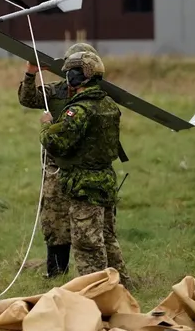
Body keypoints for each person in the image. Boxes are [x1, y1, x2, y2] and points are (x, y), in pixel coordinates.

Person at [37, 50, 130, 287]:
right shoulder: (108, 103)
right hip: (105, 180)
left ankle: (95, 290)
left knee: (87, 243)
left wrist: (48, 126)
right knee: (108, 239)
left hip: (83, 184)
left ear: (76, 77)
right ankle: (122, 286)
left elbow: (57, 142)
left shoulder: (79, 109)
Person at [18, 42, 100, 278]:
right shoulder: (56, 92)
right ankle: (56, 274)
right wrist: (31, 73)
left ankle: (97, 276)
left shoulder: (97, 96)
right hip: (56, 169)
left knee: (92, 224)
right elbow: (28, 98)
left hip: (87, 169)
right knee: (55, 222)